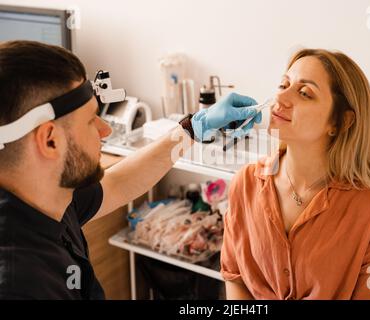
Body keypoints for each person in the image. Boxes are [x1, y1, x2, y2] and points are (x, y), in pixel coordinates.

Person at [0, 40, 261, 299]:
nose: (106, 130)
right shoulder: (21, 282)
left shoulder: (45, 195)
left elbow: (117, 183)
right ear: (50, 140)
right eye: (92, 119)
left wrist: (193, 128)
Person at [220, 48, 370, 300]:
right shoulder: (245, 183)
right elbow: (235, 276)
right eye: (283, 84)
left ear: (340, 122)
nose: (281, 96)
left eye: (305, 93)